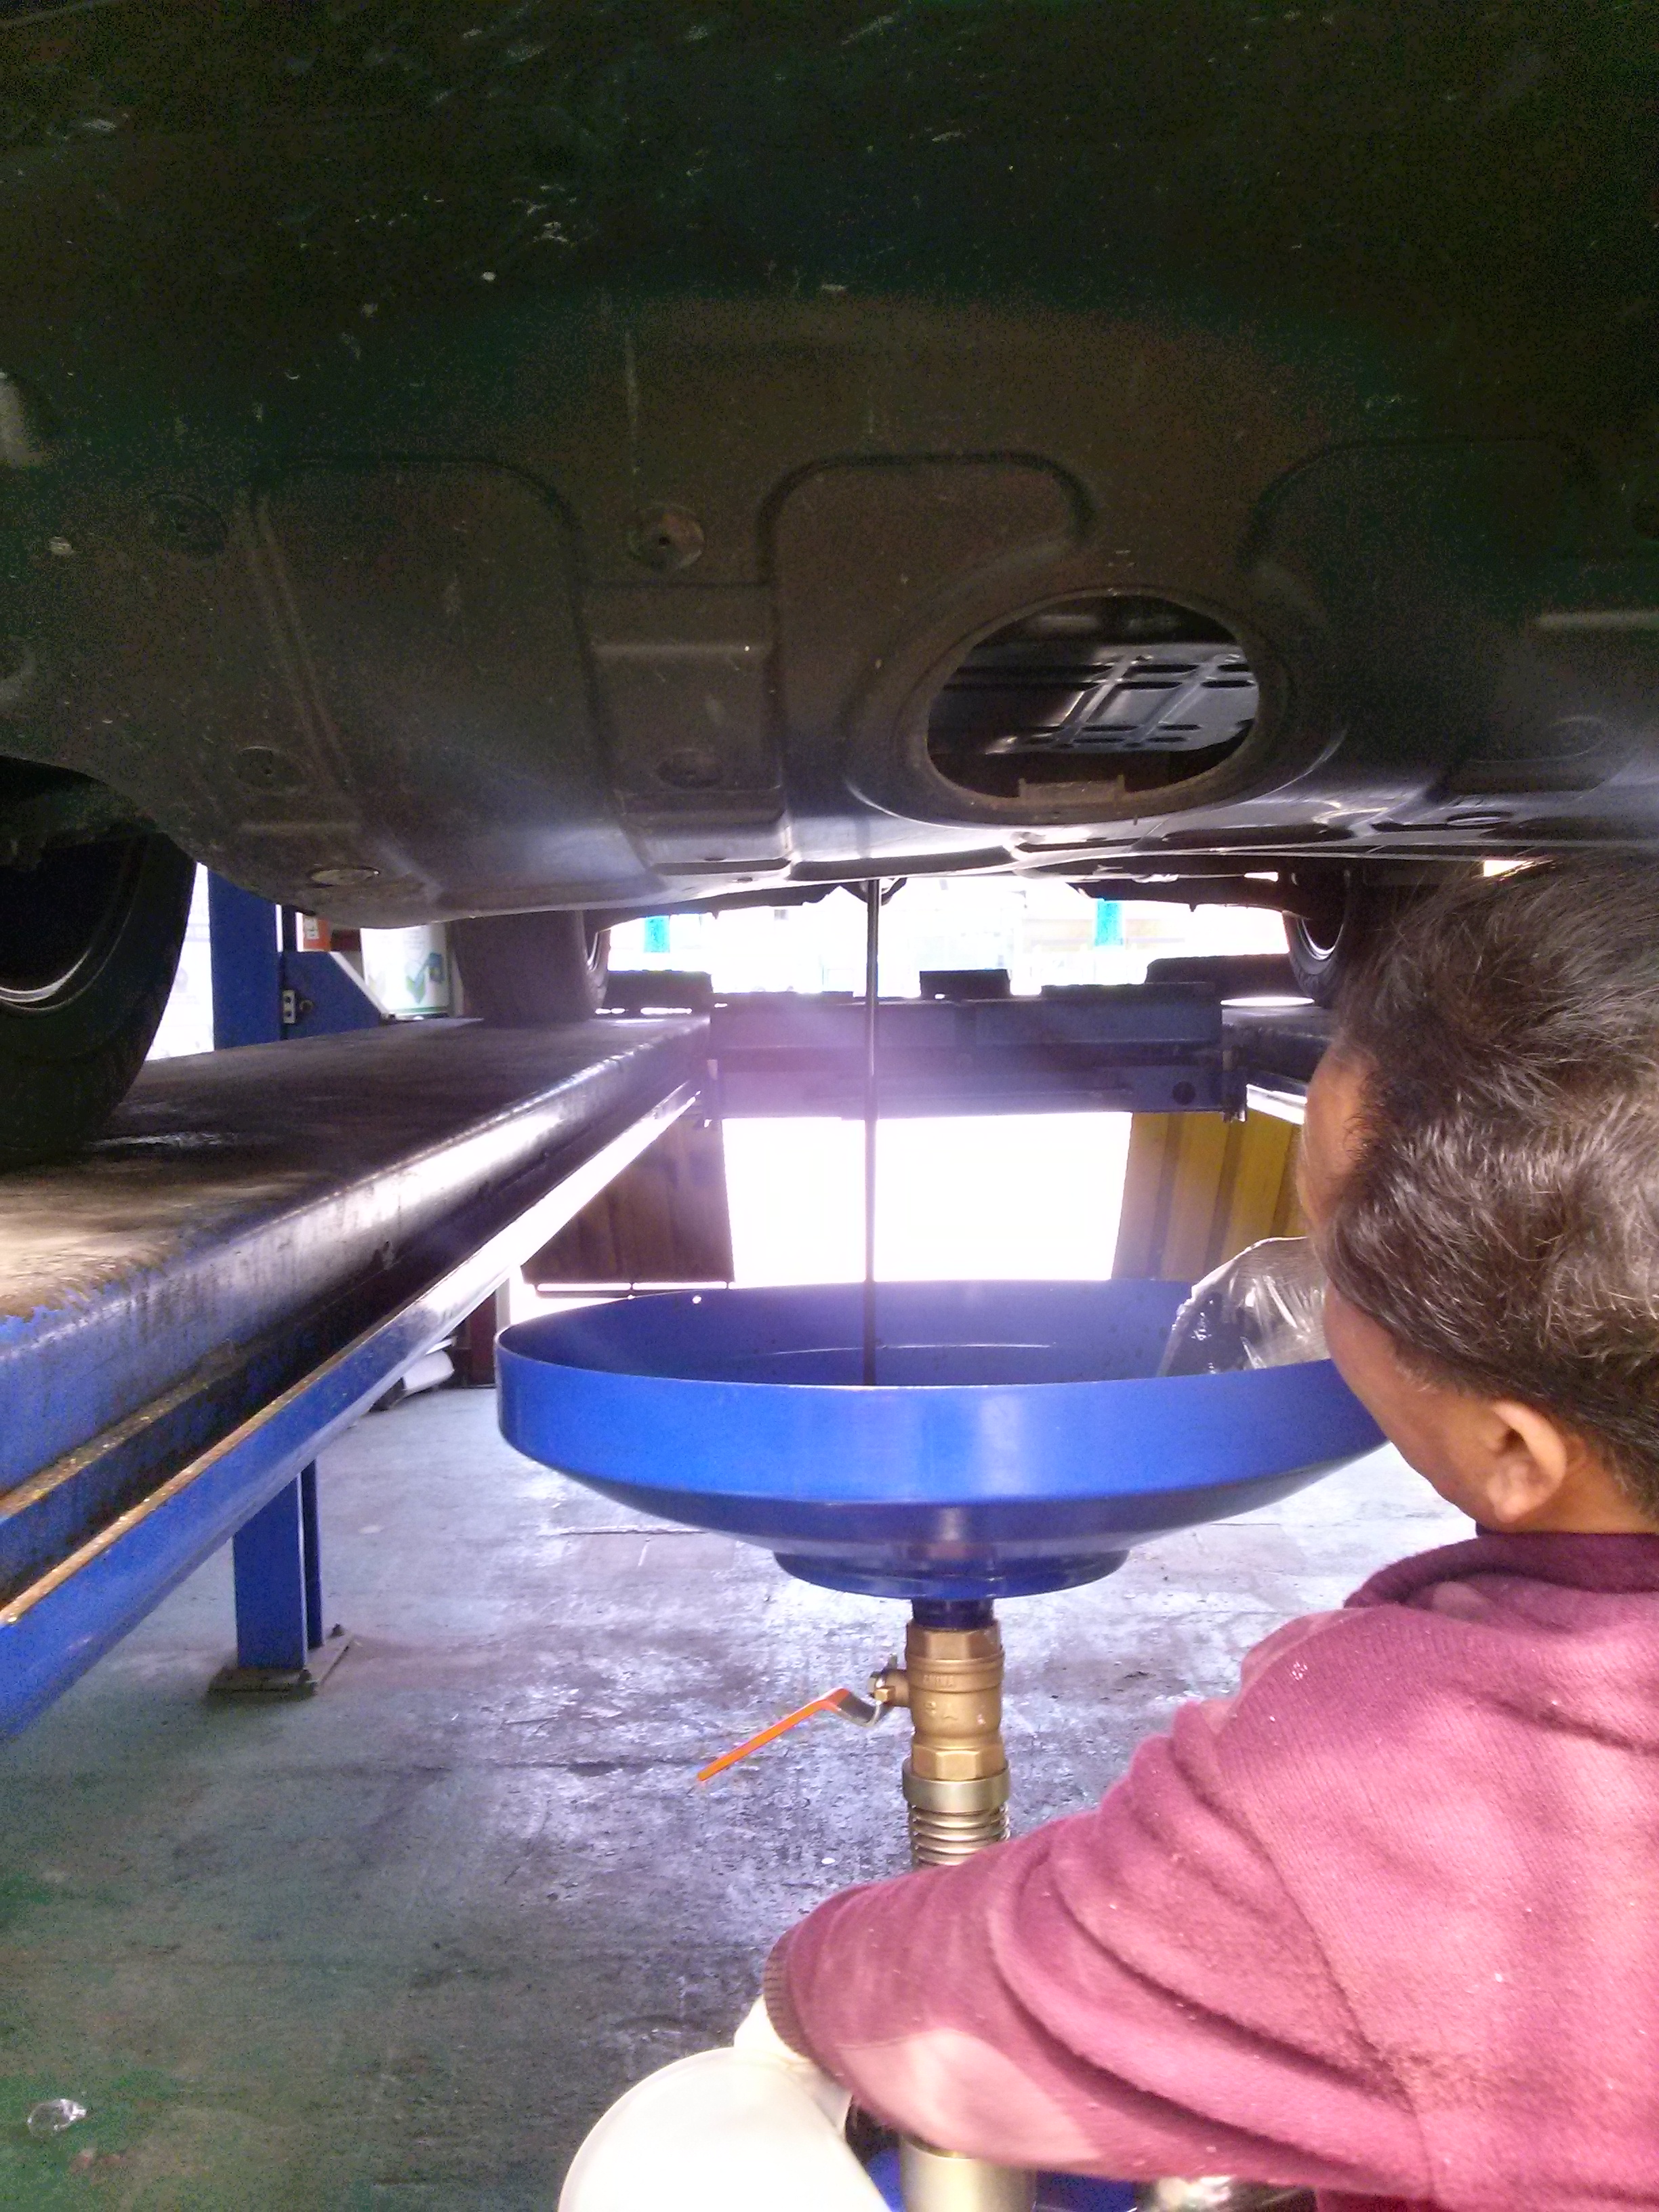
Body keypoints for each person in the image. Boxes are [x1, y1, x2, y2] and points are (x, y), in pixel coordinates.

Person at [757, 861, 1659, 2211]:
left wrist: (797, 1980)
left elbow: (953, 2016)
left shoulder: (1411, 1795)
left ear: (1513, 1451)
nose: (1297, 1283)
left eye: (1332, 1260)